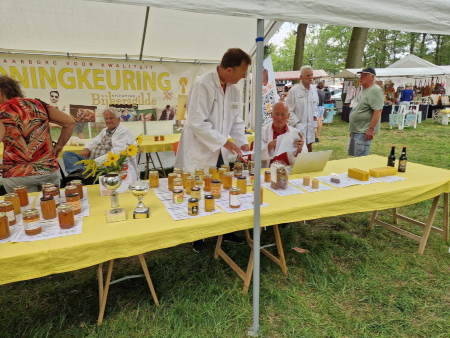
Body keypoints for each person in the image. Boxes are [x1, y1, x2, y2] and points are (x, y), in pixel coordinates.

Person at [174, 48, 251, 252]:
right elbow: (197, 122)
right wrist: (224, 142)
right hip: (200, 147)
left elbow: (236, 119)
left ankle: (224, 230)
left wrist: (242, 143)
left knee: (221, 187)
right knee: (197, 188)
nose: (244, 76)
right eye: (242, 72)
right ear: (228, 69)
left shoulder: (234, 88)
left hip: (219, 149)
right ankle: (197, 235)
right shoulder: (203, 84)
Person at [0, 76, 75, 192]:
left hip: (16, 174)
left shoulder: (2, 111)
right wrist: (59, 146)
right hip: (47, 169)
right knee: (51, 207)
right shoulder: (39, 104)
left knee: (24, 209)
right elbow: (69, 122)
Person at [63, 107, 139, 181]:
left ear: (118, 119)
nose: (108, 121)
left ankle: (82, 174)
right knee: (67, 154)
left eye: (111, 118)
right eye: (106, 118)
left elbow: (117, 153)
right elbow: (94, 141)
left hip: (106, 166)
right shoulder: (105, 130)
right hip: (93, 162)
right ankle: (80, 173)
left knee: (77, 163)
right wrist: (87, 148)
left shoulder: (123, 133)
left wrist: (94, 163)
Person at [257, 101, 306, 168]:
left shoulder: (296, 133)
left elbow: (303, 161)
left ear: (288, 116)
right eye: (276, 114)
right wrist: (271, 145)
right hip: (268, 172)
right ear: (271, 115)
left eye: (283, 115)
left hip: (288, 171)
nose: (279, 118)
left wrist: (299, 149)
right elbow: (255, 157)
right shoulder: (262, 132)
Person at [348, 67, 384, 157]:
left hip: (364, 131)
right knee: (354, 157)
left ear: (373, 77)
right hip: (357, 129)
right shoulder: (364, 90)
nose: (361, 77)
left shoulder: (375, 90)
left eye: (365, 75)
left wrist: (371, 129)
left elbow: (378, 111)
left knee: (360, 159)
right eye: (361, 75)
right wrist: (353, 129)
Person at [286, 65, 319, 152]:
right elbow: (288, 111)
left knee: (310, 148)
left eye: (312, 75)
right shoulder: (293, 91)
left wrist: (315, 116)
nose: (311, 77)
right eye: (308, 75)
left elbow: (316, 105)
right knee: (299, 150)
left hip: (310, 126)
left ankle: (309, 165)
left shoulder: (314, 89)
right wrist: (297, 123)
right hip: (299, 127)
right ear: (301, 77)